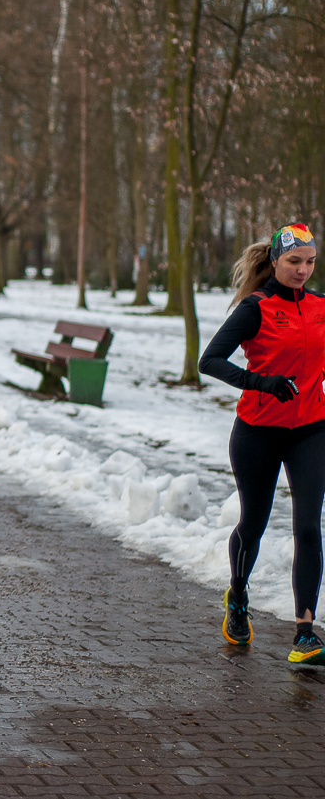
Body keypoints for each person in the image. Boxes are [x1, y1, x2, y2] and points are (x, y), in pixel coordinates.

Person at [199, 224, 325, 666]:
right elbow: (209, 360)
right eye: (294, 262)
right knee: (253, 523)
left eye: (309, 262)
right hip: (258, 432)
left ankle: (306, 633)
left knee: (309, 525)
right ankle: (237, 594)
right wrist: (261, 383)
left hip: (312, 429)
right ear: (274, 261)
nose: (303, 270)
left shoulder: (320, 307)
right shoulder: (256, 308)